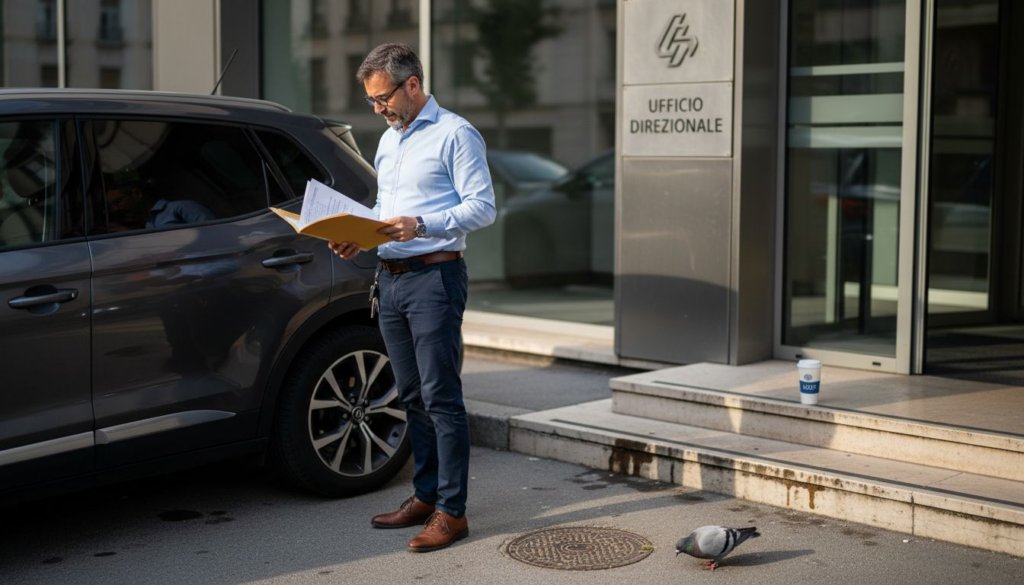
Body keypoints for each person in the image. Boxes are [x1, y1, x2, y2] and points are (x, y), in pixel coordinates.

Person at [327, 43, 496, 553]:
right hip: (392, 279)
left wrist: (422, 224)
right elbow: (386, 206)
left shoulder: (456, 134)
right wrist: (363, 234)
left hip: (435, 279)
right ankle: (424, 495)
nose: (379, 109)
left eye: (383, 99)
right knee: (412, 396)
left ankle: (452, 512)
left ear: (413, 84)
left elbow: (483, 207)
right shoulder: (388, 141)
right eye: (372, 102)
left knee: (442, 399)